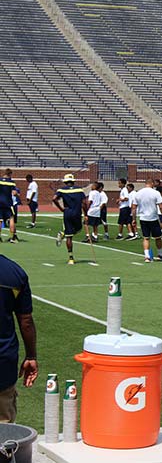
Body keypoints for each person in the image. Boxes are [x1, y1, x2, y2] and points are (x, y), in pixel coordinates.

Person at [0, 256, 37, 423]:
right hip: (3, 359)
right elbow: (26, 321)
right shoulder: (14, 272)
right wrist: (31, 356)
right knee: (3, 429)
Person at [53, 174, 87, 265]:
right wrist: (86, 214)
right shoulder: (79, 190)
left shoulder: (61, 190)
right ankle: (71, 256)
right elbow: (84, 203)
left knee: (69, 236)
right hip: (77, 213)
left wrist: (60, 208)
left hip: (67, 213)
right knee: (78, 229)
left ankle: (71, 258)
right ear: (73, 181)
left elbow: (54, 199)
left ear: (65, 182)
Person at [131, 178, 162, 262]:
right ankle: (160, 254)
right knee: (158, 237)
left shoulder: (138, 193)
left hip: (143, 218)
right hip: (153, 218)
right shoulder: (156, 193)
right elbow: (161, 206)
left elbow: (134, 207)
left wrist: (134, 219)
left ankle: (147, 256)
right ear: (152, 183)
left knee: (146, 238)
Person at [0, 169, 19, 243]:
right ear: (10, 174)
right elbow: (14, 193)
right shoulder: (11, 182)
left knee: (0, 220)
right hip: (8, 203)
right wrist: (18, 194)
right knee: (11, 219)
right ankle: (12, 237)